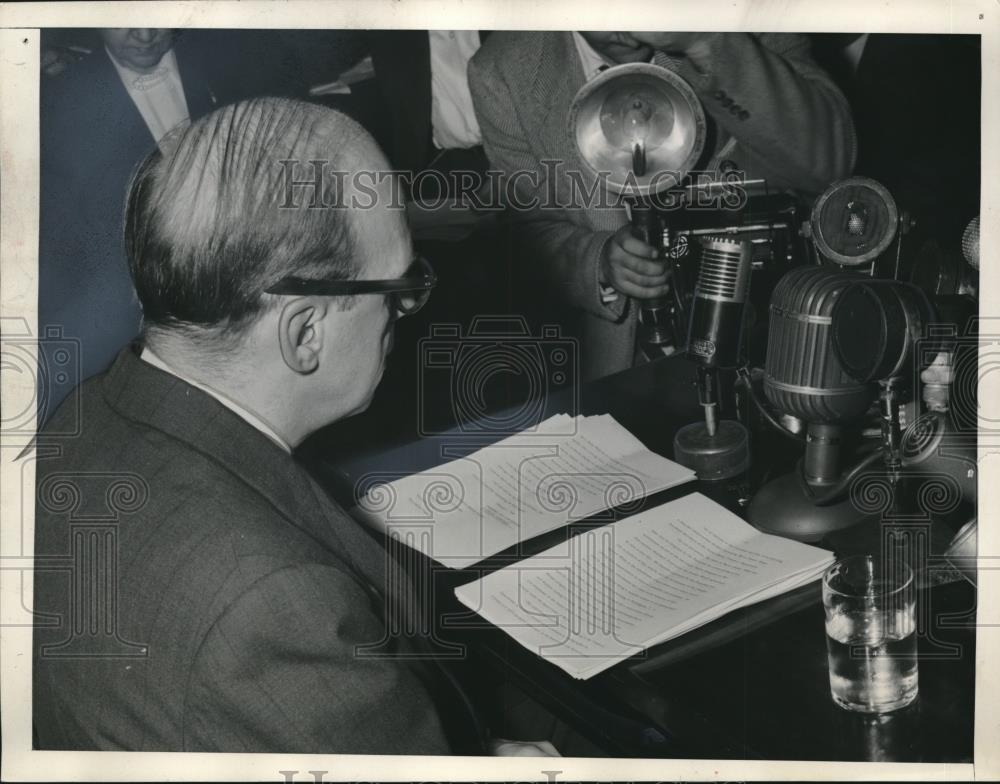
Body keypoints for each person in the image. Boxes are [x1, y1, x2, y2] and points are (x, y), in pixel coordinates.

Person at [31, 97, 558, 756]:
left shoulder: (80, 418)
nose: (403, 315)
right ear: (305, 332)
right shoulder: (280, 611)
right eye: (399, 289)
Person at [469, 31, 857, 380]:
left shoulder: (746, 17)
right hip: (624, 368)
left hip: (776, 341)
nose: (625, 22)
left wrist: (703, 42)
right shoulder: (503, 68)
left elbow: (829, 165)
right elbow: (523, 229)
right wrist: (598, 260)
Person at [37, 28, 301, 420]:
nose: (144, 34)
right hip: (136, 305)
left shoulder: (238, 60)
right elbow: (68, 239)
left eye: (157, 14)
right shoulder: (64, 100)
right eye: (126, 17)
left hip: (253, 281)